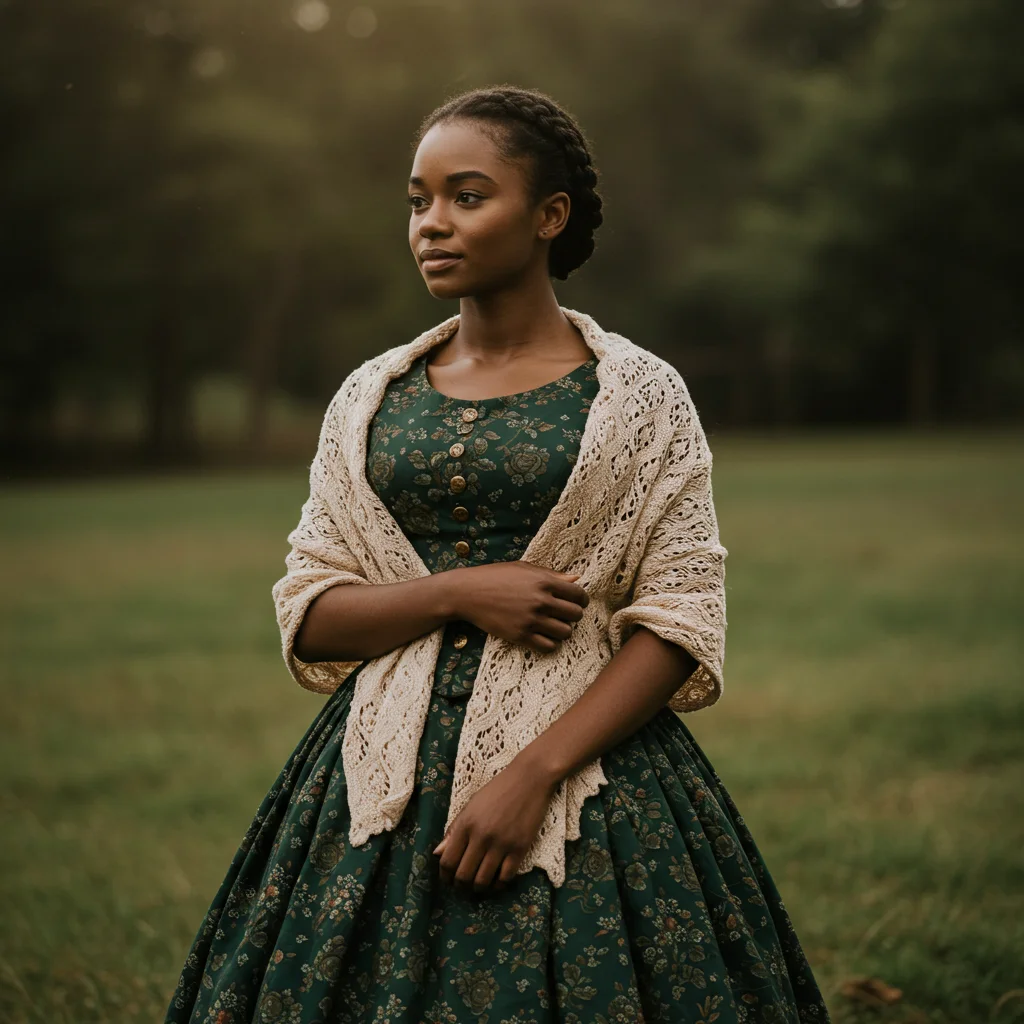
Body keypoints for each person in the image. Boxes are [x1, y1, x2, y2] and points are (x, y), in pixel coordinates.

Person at [165, 85, 830, 1024]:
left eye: (466, 196)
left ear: (549, 216)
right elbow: (310, 609)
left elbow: (681, 618)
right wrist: (460, 592)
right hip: (376, 780)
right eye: (417, 200)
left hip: (591, 775)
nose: (432, 224)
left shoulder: (639, 396)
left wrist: (529, 776)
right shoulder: (370, 397)